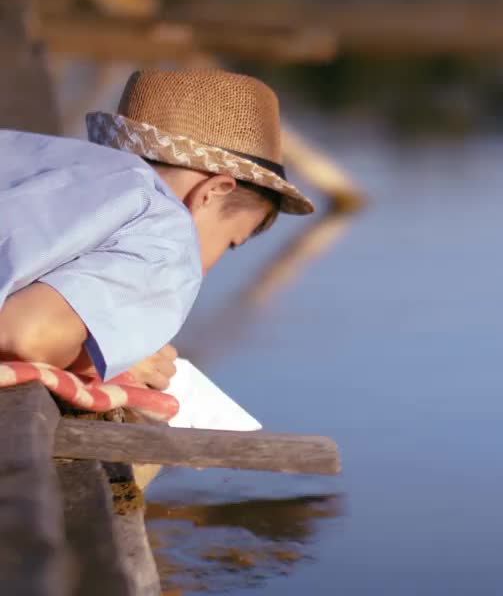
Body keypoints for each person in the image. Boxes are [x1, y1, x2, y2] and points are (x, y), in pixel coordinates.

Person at [0, 68, 314, 390]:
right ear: (212, 192)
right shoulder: (167, 226)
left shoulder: (41, 156)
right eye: (231, 242)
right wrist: (109, 358)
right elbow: (22, 335)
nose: (205, 273)